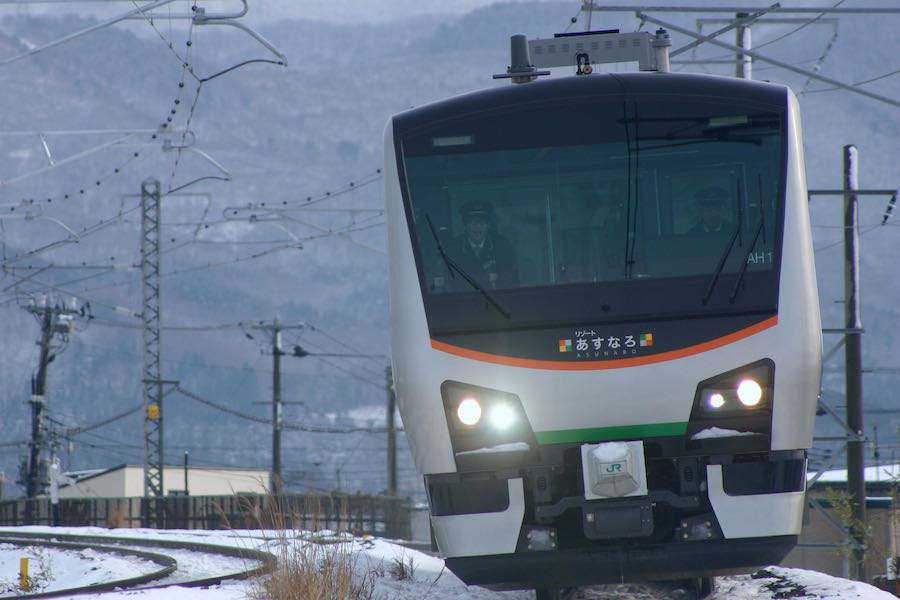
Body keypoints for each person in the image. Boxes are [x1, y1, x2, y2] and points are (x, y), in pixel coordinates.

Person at [453, 200, 519, 289]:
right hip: (465, 300)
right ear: (465, 225)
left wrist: (475, 278)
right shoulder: (454, 247)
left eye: (482, 222)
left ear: (488, 225)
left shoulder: (502, 245)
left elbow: (511, 276)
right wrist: (487, 278)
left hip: (498, 300)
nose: (478, 227)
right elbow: (455, 280)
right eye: (473, 222)